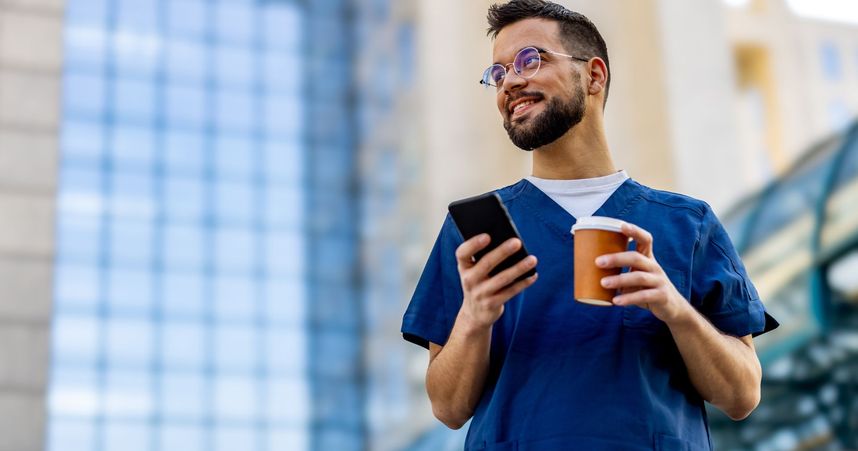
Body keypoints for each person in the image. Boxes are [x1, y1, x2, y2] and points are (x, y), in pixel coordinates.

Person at [401, 0, 779, 449]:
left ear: (594, 76)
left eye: (530, 60)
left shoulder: (686, 224)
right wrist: (475, 318)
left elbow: (742, 395)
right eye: (498, 73)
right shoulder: (474, 233)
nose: (511, 82)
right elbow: (447, 408)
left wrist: (675, 309)